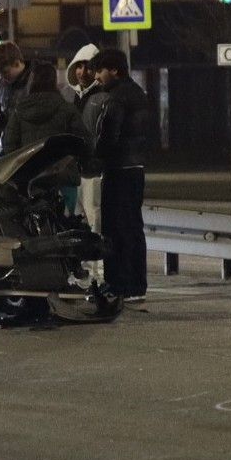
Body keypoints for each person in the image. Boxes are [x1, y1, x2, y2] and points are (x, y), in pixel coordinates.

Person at [90, 48, 152, 303]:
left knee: (115, 228)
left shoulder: (115, 98)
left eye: (100, 71)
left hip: (118, 169)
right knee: (133, 227)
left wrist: (94, 154)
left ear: (114, 70)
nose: (97, 77)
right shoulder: (138, 93)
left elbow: (108, 138)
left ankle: (118, 283)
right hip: (136, 167)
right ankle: (136, 284)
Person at [0, 41, 87, 159]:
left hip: (31, 148)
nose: (2, 77)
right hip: (9, 150)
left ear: (17, 63)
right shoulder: (2, 84)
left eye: (5, 72)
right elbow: (4, 116)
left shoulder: (39, 79)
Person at [69, 43, 110, 284]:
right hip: (78, 170)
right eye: (79, 67)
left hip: (93, 171)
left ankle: (99, 273)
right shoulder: (77, 97)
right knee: (82, 222)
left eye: (87, 67)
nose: (82, 72)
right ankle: (86, 269)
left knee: (95, 221)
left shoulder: (101, 97)